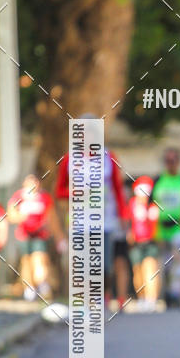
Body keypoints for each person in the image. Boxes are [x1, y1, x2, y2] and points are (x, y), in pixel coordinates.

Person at [55, 123, 128, 309]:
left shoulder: (108, 157)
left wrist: (123, 214)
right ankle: (85, 300)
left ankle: (102, 295)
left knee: (104, 265)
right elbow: (59, 191)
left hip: (105, 221)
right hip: (79, 221)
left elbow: (118, 188)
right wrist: (77, 192)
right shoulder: (70, 159)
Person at [7, 174, 65, 301]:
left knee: (40, 259)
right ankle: (30, 288)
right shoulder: (19, 196)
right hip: (24, 235)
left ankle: (42, 283)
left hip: (40, 234)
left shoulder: (44, 198)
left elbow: (52, 218)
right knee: (26, 261)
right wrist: (21, 217)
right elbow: (10, 214)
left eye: (35, 181)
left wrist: (59, 237)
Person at [152, 148, 180, 309]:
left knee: (179, 264)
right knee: (166, 265)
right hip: (162, 228)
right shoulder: (159, 181)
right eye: (167, 161)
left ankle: (177, 295)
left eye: (173, 161)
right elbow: (152, 205)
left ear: (178, 162)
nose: (170, 164)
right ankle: (167, 294)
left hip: (178, 228)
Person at [128, 175, 160, 311]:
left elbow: (156, 226)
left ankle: (151, 299)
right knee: (138, 271)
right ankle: (141, 297)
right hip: (136, 243)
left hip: (150, 242)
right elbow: (127, 221)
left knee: (150, 269)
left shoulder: (153, 206)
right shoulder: (132, 204)